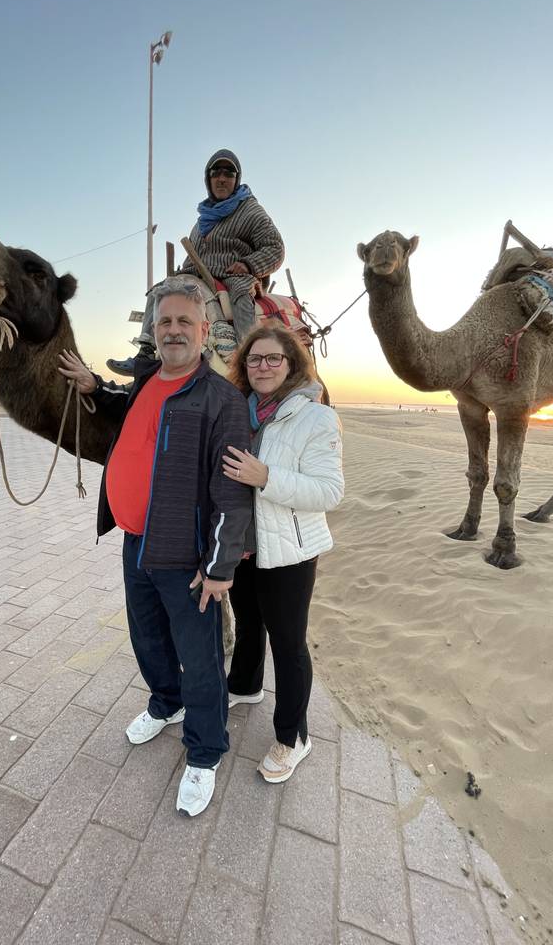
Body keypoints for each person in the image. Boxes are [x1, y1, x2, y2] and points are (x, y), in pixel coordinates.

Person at [58, 276, 252, 817]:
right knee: (145, 635)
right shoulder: (147, 381)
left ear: (204, 330)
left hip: (188, 557)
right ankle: (165, 702)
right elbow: (127, 408)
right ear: (154, 330)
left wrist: (218, 568)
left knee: (202, 655)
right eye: (164, 322)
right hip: (135, 540)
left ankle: (206, 750)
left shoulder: (221, 399)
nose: (172, 331)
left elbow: (232, 495)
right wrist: (95, 386)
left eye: (183, 322)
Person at [221, 323, 344, 783]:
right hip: (246, 547)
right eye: (255, 359)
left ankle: (295, 736)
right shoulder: (237, 411)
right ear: (244, 365)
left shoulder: (316, 417)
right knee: (250, 623)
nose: (264, 366)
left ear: (291, 364)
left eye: (274, 358)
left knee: (289, 645)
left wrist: (266, 476)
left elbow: (330, 491)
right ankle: (246, 686)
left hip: (290, 552)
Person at [108, 149, 285, 376]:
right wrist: (179, 274)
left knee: (241, 295)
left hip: (233, 275)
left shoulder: (250, 210)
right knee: (160, 290)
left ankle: (248, 358)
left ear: (236, 178)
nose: (222, 178)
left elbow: (275, 248)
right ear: (208, 179)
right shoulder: (203, 219)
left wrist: (249, 265)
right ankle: (145, 353)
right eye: (216, 173)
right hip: (197, 275)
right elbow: (196, 254)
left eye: (229, 173)